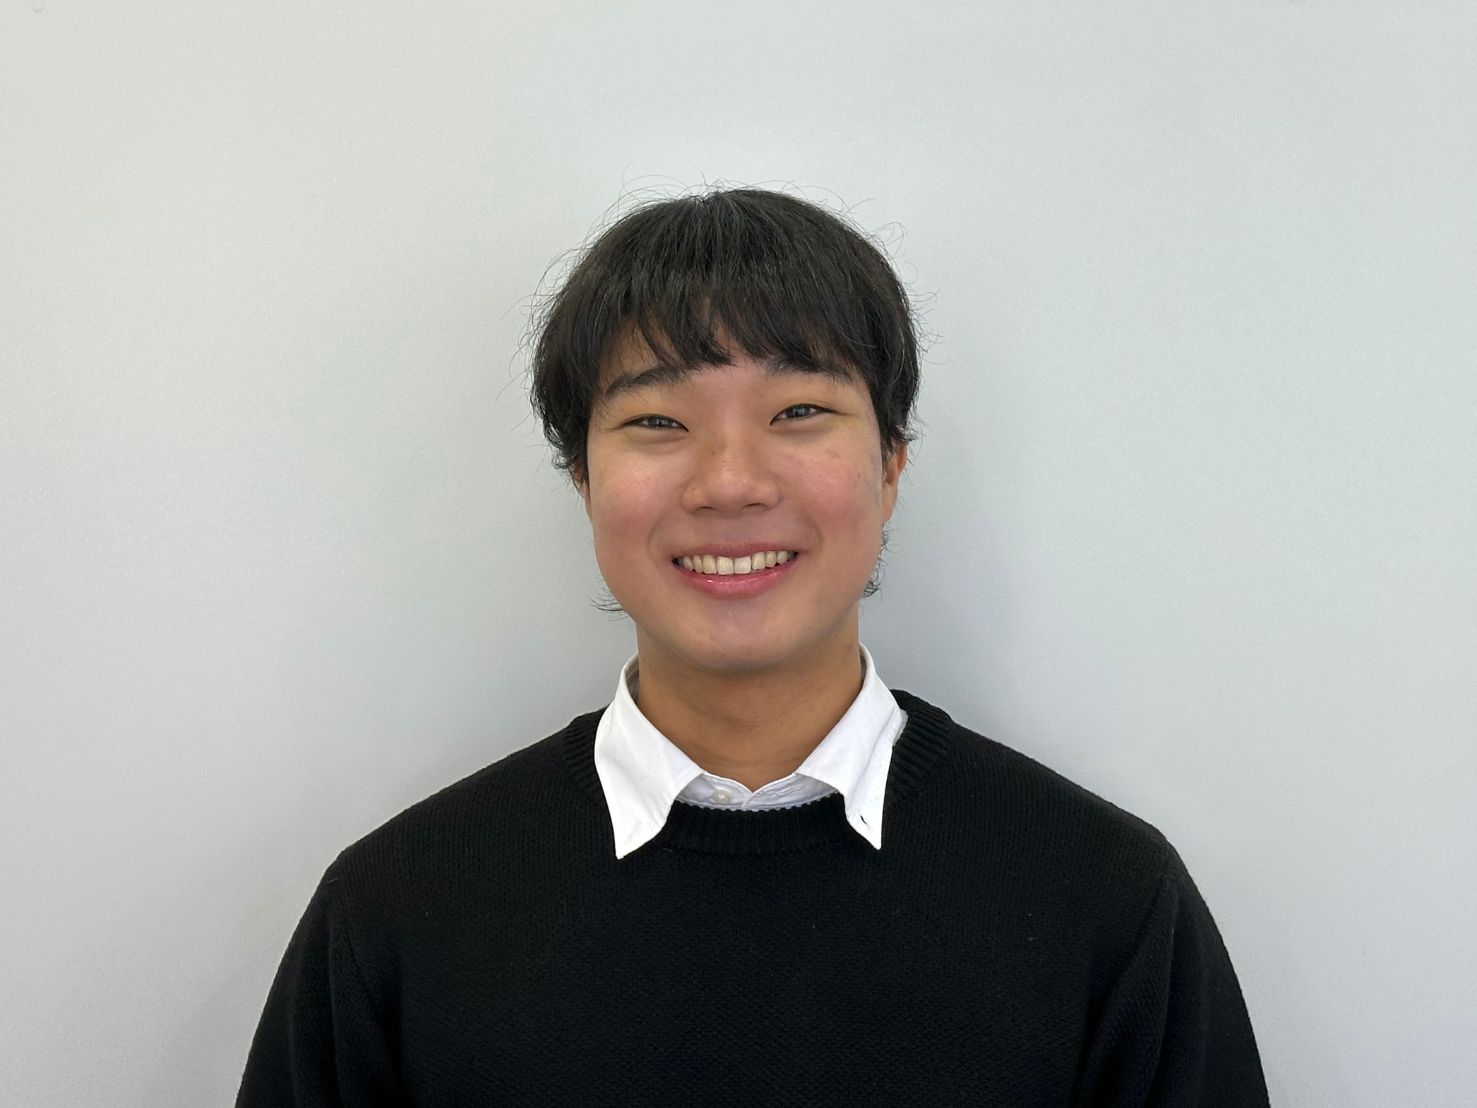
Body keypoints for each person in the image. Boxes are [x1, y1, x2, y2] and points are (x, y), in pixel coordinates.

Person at [236, 187, 1269, 1105]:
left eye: (799, 410)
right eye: (657, 422)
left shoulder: (1102, 901)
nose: (729, 482)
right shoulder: (401, 912)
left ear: (891, 463)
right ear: (583, 478)